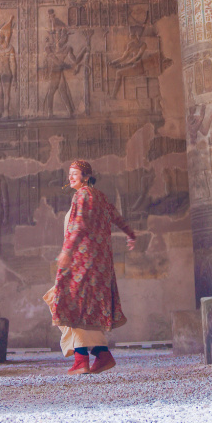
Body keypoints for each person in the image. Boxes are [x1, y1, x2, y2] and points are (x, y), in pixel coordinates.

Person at [45, 160, 136, 375]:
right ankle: (102, 355)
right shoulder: (101, 197)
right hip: (98, 263)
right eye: (69, 174)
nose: (70, 178)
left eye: (75, 174)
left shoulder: (83, 195)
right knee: (83, 307)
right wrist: (131, 234)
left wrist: (67, 251)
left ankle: (81, 360)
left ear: (86, 176)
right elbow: (118, 218)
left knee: (70, 303)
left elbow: (79, 225)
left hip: (82, 260)